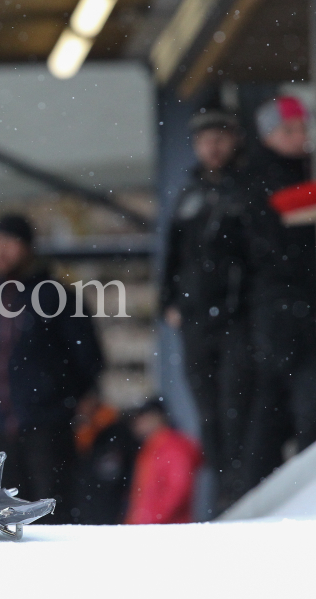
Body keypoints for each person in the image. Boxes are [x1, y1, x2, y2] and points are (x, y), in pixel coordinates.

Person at [0, 214, 103, 522]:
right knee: (8, 514)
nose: (1, 251)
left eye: (10, 243)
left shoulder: (55, 295)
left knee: (51, 511)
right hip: (2, 428)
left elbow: (89, 356)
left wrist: (61, 398)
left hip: (48, 426)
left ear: (28, 248)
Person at [159, 109, 255, 510]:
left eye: (220, 139)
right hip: (196, 318)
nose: (213, 149)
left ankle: (238, 485)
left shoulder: (247, 191)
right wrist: (170, 303)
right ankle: (222, 490)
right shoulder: (189, 196)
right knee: (209, 410)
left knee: (237, 405)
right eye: (205, 141)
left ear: (234, 141)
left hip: (236, 316)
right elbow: (173, 255)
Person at [241, 96, 316, 491]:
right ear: (269, 135)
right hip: (287, 310)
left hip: (285, 308)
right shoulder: (262, 178)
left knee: (272, 410)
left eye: (303, 128)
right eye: (290, 130)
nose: (300, 137)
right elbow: (280, 237)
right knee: (298, 405)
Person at [125, 398, 202, 525]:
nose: (138, 424)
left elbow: (178, 490)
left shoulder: (172, 447)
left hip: (166, 529)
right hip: (157, 528)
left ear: (158, 417)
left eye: (142, 418)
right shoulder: (152, 448)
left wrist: (151, 518)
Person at [71, 394, 137, 524]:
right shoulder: (85, 431)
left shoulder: (113, 431)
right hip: (94, 509)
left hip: (111, 511)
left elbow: (111, 474)